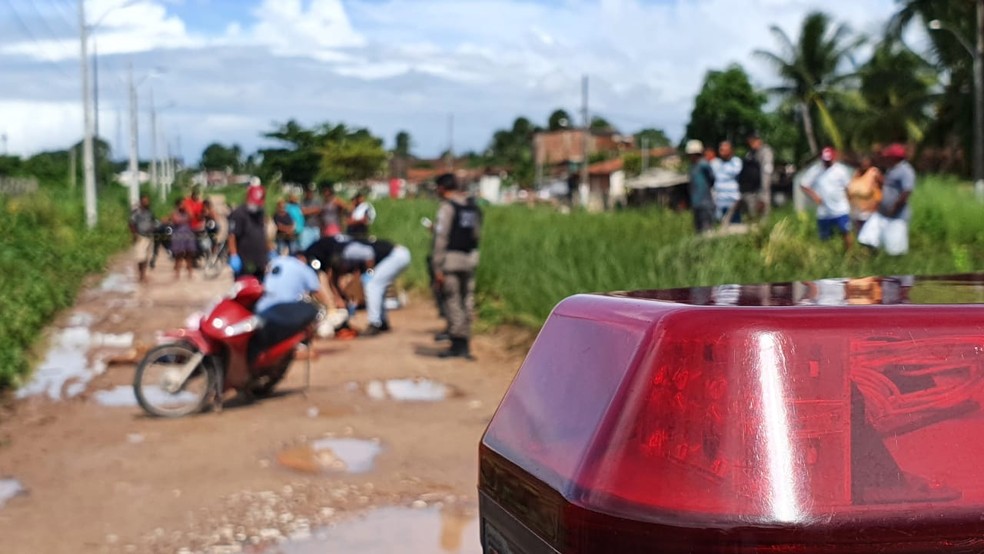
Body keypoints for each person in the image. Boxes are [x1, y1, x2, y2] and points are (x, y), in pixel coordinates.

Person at [248, 250, 334, 365]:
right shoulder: (303, 268)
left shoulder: (276, 261)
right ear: (302, 258)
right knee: (310, 310)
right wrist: (331, 308)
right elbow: (317, 291)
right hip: (285, 311)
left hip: (262, 308)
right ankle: (298, 348)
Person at [432, 172, 482, 359]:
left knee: (452, 300)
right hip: (469, 260)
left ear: (442, 188)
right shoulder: (471, 207)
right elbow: (476, 235)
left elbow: (441, 238)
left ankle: (458, 343)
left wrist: (437, 267)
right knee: (466, 300)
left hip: (451, 261)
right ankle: (466, 342)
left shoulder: (447, 208)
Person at [860, 144, 915, 256]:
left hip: (896, 215)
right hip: (882, 213)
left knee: (894, 250)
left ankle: (894, 269)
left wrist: (894, 208)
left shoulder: (905, 171)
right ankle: (872, 259)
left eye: (888, 157)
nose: (886, 159)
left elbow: (906, 192)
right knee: (867, 238)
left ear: (894, 158)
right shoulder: (892, 169)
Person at [801, 147, 853, 249]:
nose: (827, 163)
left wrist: (850, 201)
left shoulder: (841, 170)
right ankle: (828, 257)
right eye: (825, 160)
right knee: (825, 237)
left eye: (829, 160)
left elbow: (848, 188)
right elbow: (803, 184)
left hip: (840, 209)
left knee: (846, 233)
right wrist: (814, 196)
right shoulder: (815, 170)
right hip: (824, 211)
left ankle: (849, 256)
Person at [228, 184, 270, 280]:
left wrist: (270, 250)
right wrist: (234, 255)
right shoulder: (238, 214)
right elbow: (232, 236)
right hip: (244, 261)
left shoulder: (260, 213)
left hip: (260, 260)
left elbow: (263, 233)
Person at [739, 133, 775, 220]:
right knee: (753, 216)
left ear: (759, 141)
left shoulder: (766, 152)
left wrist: (763, 194)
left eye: (753, 142)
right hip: (751, 190)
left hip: (762, 190)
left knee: (763, 214)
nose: (751, 145)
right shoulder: (750, 154)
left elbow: (767, 172)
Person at [847, 155, 884, 234]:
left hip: (869, 209)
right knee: (858, 233)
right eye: (862, 162)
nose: (863, 164)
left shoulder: (874, 172)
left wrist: (878, 199)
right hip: (855, 210)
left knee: (868, 233)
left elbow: (883, 185)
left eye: (866, 162)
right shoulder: (856, 173)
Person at [685, 140, 715, 235]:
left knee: (707, 231)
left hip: (705, 204)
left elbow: (712, 179)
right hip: (696, 203)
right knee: (698, 231)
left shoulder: (704, 165)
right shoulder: (692, 167)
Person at [711, 141, 742, 224]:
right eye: (721, 150)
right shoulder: (714, 163)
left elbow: (737, 174)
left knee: (735, 227)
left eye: (725, 150)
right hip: (719, 202)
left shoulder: (736, 162)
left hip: (733, 201)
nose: (722, 152)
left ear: (730, 150)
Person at [129, 195, 157, 282]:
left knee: (145, 256)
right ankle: (141, 274)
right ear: (141, 202)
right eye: (145, 201)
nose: (146, 202)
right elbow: (131, 223)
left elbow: (154, 221)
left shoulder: (150, 212)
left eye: (147, 201)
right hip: (140, 236)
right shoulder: (137, 212)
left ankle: (143, 274)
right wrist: (134, 234)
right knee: (140, 257)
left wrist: (153, 227)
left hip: (149, 236)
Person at [168, 198, 197, 280]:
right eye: (181, 204)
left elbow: (192, 217)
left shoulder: (187, 212)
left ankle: (190, 273)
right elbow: (175, 220)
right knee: (178, 255)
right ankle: (177, 273)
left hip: (188, 234)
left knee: (189, 254)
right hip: (178, 235)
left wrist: (187, 209)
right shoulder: (174, 212)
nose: (183, 206)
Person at [299, 186, 323, 250]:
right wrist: (314, 210)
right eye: (308, 192)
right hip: (306, 227)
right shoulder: (303, 201)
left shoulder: (318, 200)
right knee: (304, 247)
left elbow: (319, 210)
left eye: (310, 192)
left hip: (316, 227)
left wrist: (309, 210)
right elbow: (303, 212)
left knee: (317, 247)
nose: (309, 193)